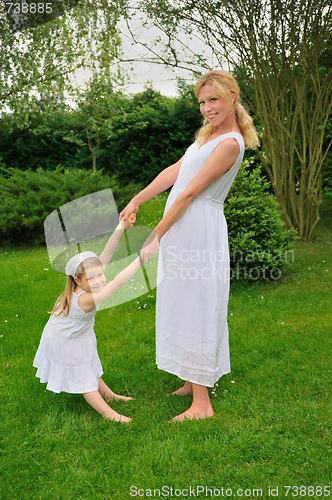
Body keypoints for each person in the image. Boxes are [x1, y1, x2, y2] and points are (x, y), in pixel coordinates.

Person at [121, 70, 259, 422]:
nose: (207, 108)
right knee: (180, 300)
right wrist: (137, 200)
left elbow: (190, 192)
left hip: (198, 228)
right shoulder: (207, 137)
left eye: (213, 99)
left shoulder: (230, 143)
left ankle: (202, 405)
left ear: (231, 96)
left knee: (197, 303)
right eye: (202, 101)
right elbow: (175, 172)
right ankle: (189, 378)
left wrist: (156, 236)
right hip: (184, 223)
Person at [33, 213, 140, 423]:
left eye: (100, 274)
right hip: (64, 342)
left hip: (73, 335)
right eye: (91, 278)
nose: (99, 280)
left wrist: (121, 225)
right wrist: (141, 259)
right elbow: (116, 284)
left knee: (88, 364)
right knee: (84, 380)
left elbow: (107, 253)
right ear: (77, 281)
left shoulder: (84, 281)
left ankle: (109, 395)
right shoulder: (85, 300)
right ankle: (111, 415)